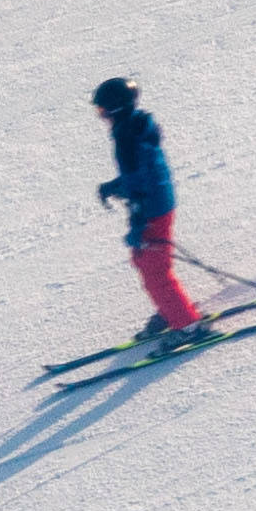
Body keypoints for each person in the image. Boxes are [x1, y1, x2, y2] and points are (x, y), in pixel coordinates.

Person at [91, 75, 207, 341]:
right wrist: (115, 186)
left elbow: (141, 179)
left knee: (154, 269)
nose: (101, 116)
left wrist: (138, 218)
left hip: (152, 208)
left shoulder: (128, 136)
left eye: (102, 110)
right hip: (156, 202)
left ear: (115, 108)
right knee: (145, 261)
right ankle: (171, 312)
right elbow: (141, 173)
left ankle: (188, 326)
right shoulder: (134, 127)